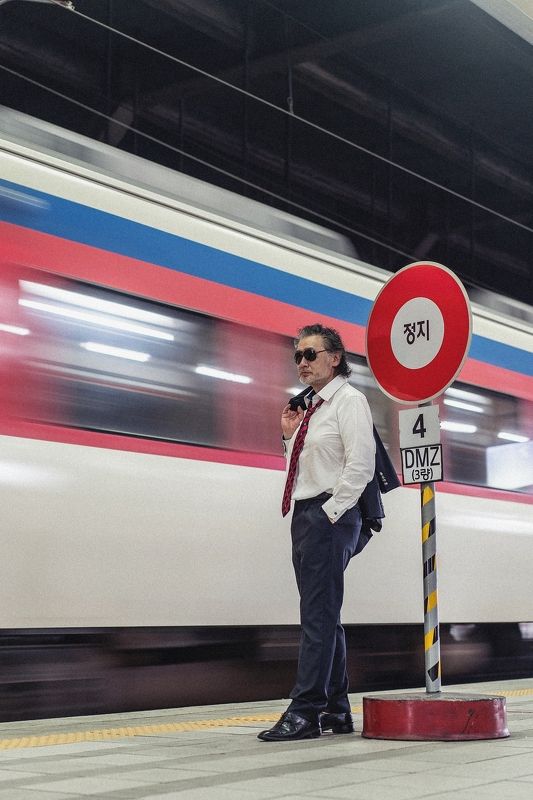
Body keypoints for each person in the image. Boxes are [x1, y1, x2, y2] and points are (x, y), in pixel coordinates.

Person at [258, 323, 375, 742]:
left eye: (310, 354)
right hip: (306, 515)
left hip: (328, 515)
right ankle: (337, 710)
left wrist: (332, 511)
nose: (302, 363)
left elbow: (360, 464)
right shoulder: (310, 408)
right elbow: (304, 468)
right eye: (297, 356)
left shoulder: (349, 401)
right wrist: (289, 437)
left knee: (316, 617)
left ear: (334, 358)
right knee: (325, 615)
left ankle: (305, 711)